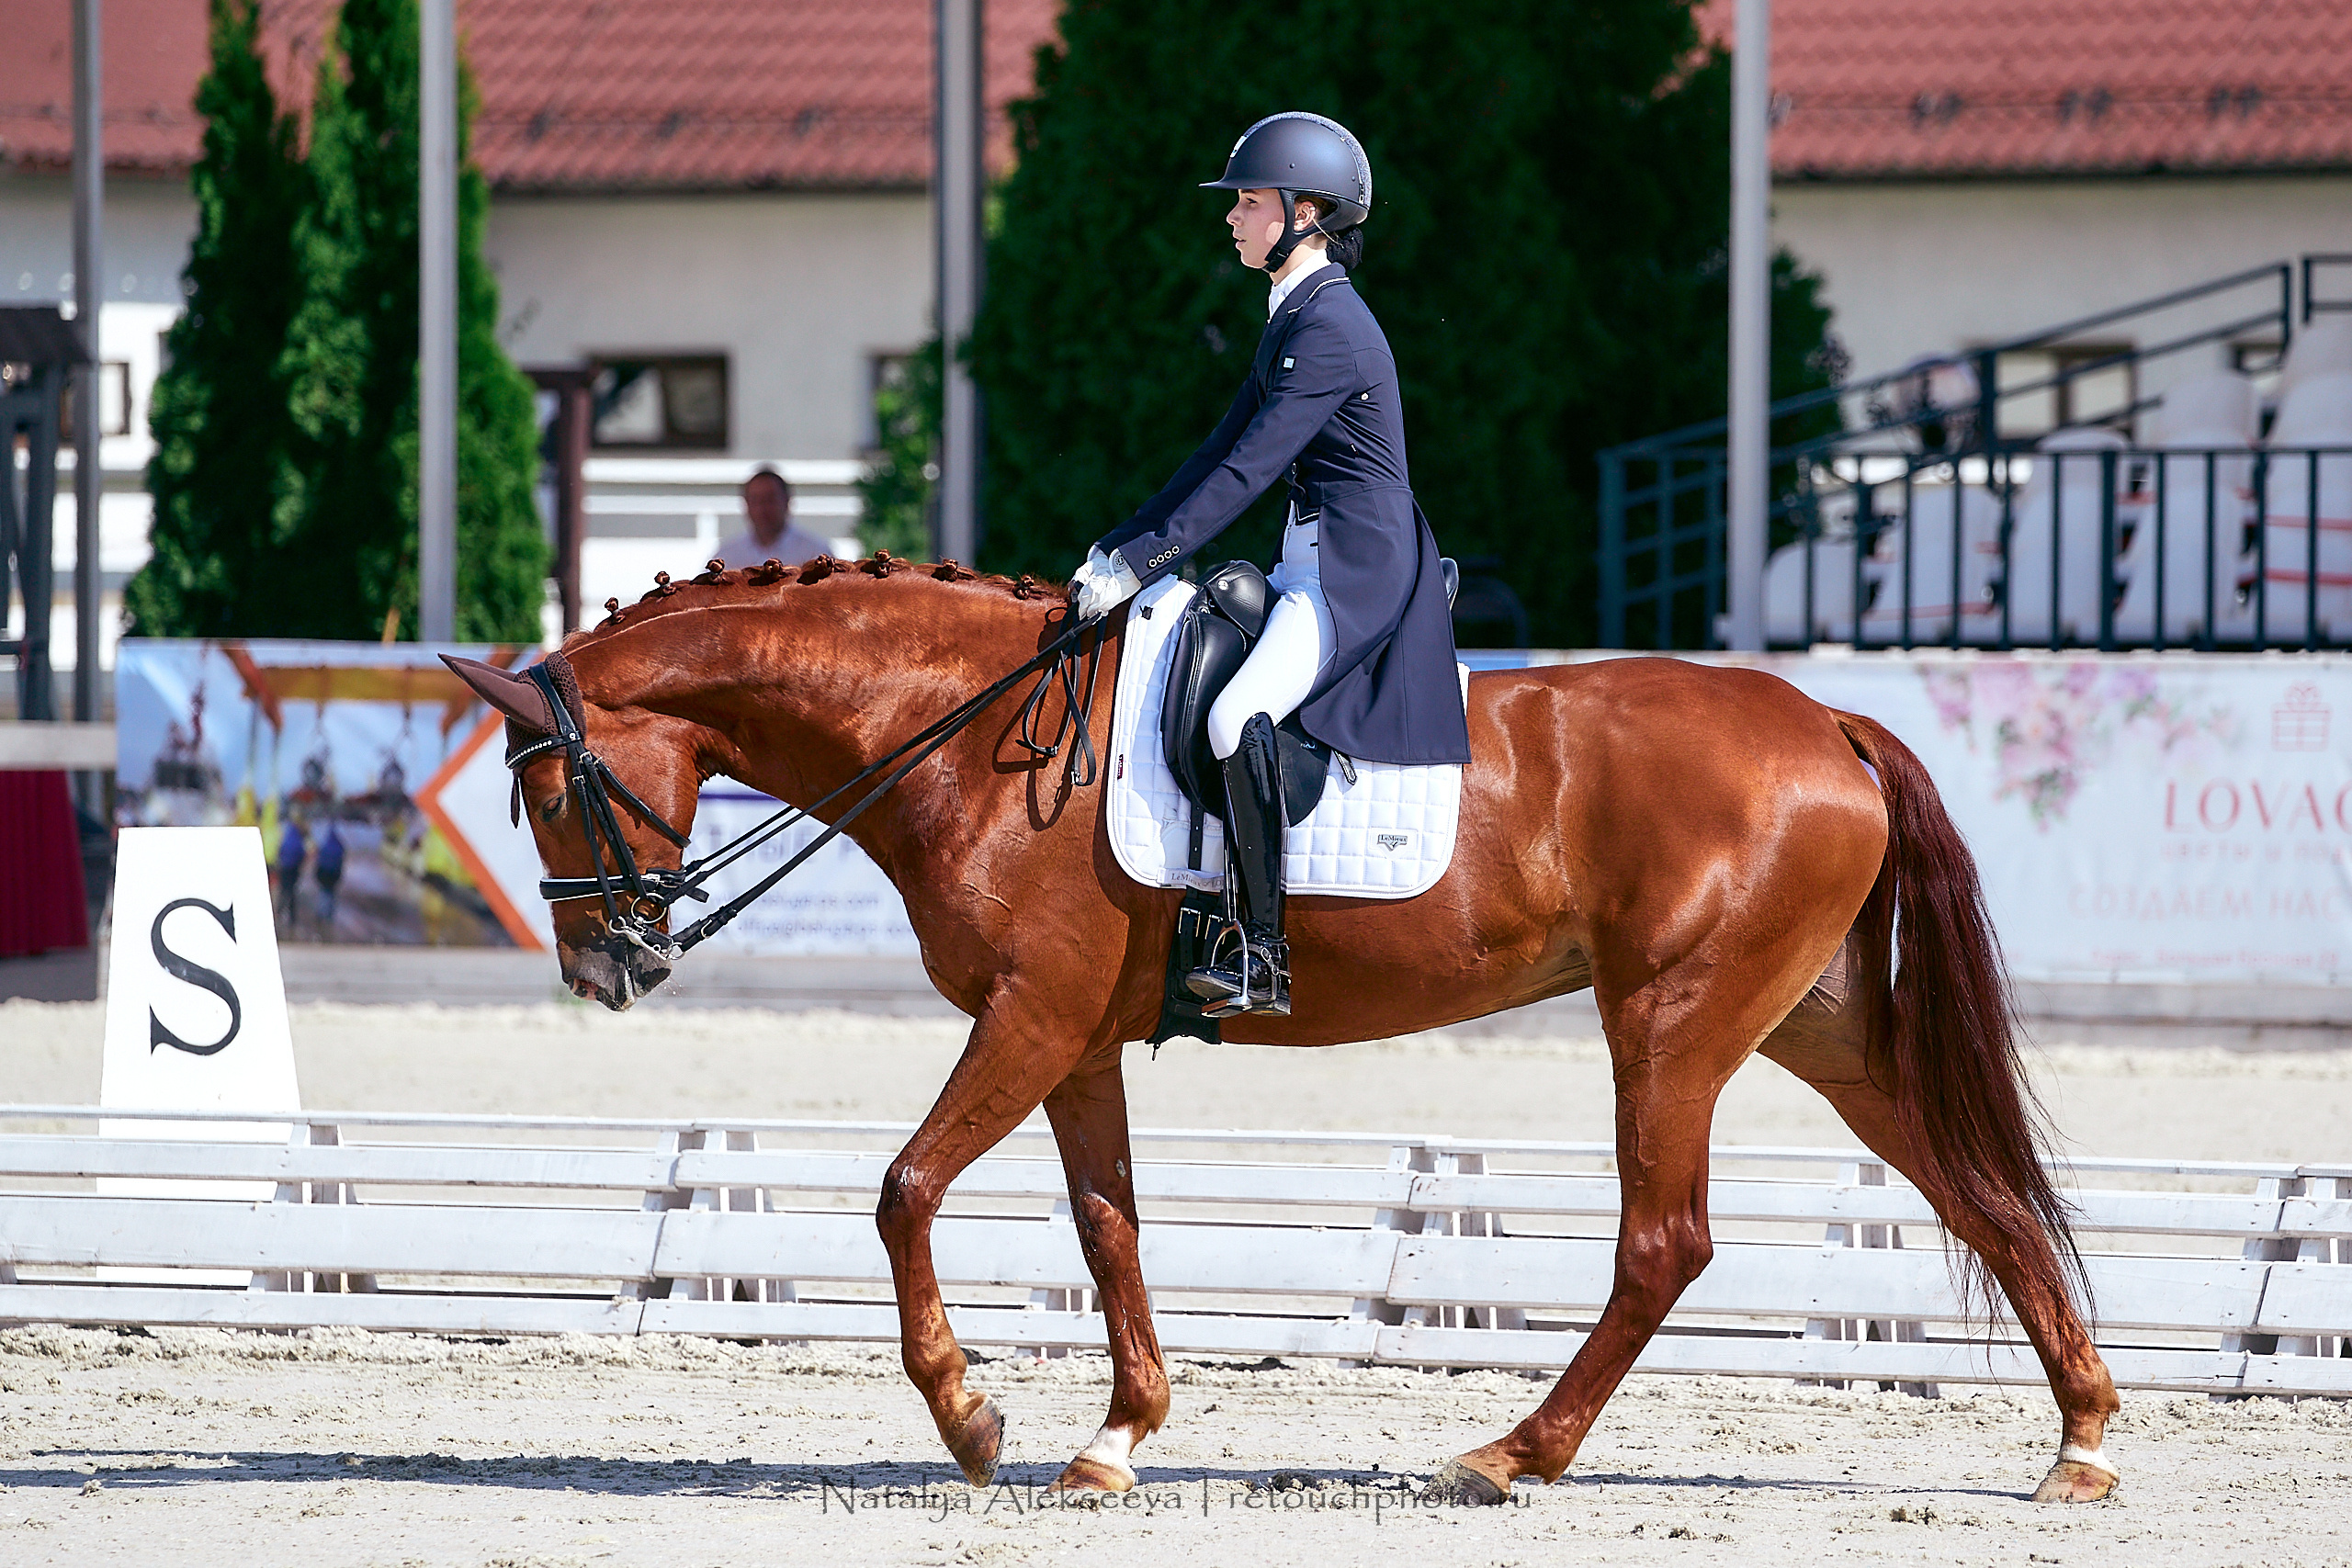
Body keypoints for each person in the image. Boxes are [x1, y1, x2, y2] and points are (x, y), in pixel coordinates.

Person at [1067, 112, 1471, 1019]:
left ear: (1307, 210)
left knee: (1233, 714)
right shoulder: (1297, 313)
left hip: (1355, 572)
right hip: (1311, 558)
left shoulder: (1330, 325)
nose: (1233, 217)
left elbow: (1249, 473)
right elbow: (1217, 452)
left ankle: (1259, 952)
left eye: (1249, 201)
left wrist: (1145, 563)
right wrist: (1120, 544)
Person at [715, 465, 835, 570]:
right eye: (756, 500)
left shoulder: (815, 554)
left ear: (787, 501)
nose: (763, 508)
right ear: (746, 504)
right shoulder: (727, 556)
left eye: (770, 500)